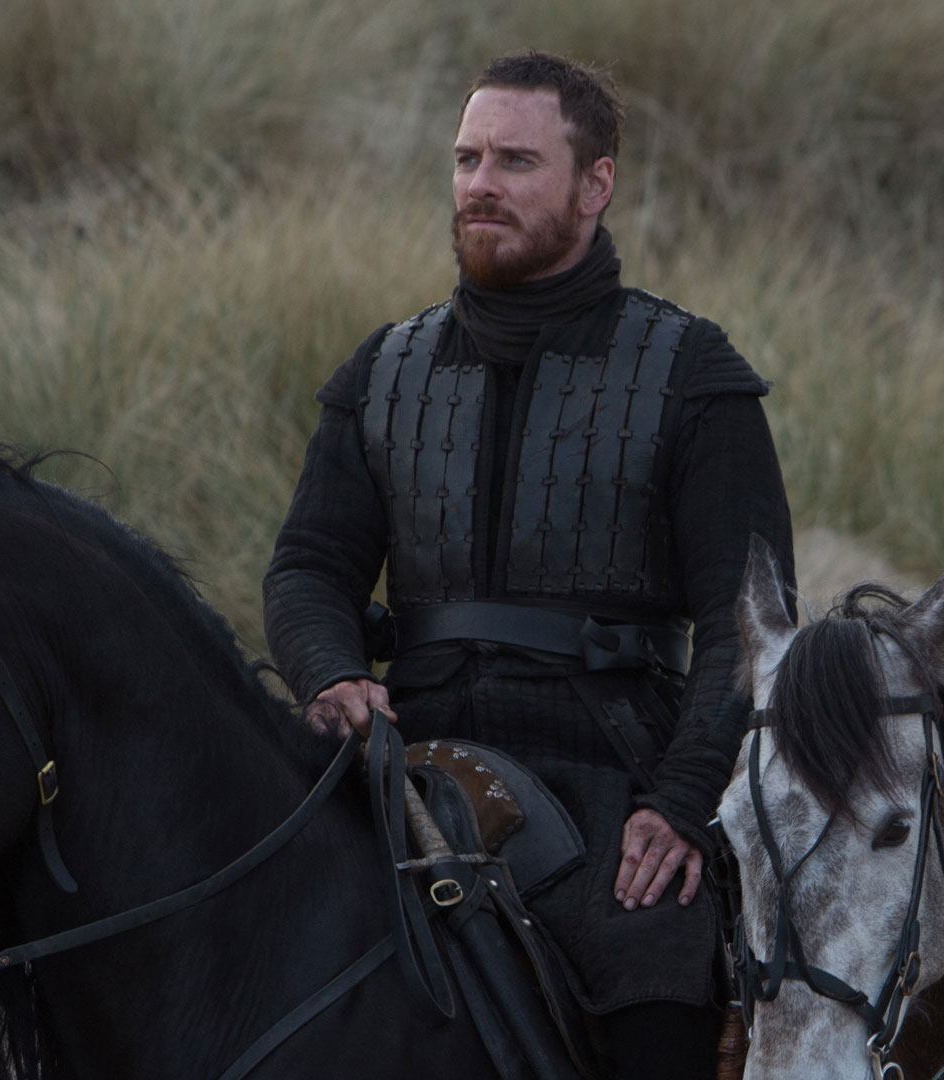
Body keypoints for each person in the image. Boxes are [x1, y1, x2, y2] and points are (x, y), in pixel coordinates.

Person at [262, 51, 796, 1079]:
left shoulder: (693, 375)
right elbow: (310, 569)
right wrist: (330, 674)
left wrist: (681, 803)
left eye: (516, 161)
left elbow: (751, 624)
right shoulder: (382, 372)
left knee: (656, 968)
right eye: (467, 159)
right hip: (405, 750)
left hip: (612, 764)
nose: (481, 184)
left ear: (595, 185)